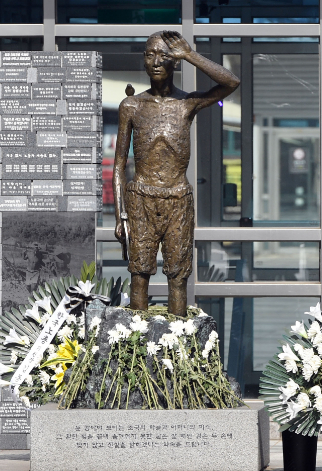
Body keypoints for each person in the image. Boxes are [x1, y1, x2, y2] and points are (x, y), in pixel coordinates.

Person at [113, 31, 239, 316]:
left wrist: (190, 55)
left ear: (175, 63)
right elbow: (119, 165)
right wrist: (120, 215)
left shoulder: (187, 103)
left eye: (164, 56)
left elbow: (231, 82)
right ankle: (136, 348)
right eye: (149, 54)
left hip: (178, 199)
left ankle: (177, 348)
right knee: (139, 275)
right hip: (141, 199)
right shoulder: (131, 106)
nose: (156, 62)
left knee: (178, 277)